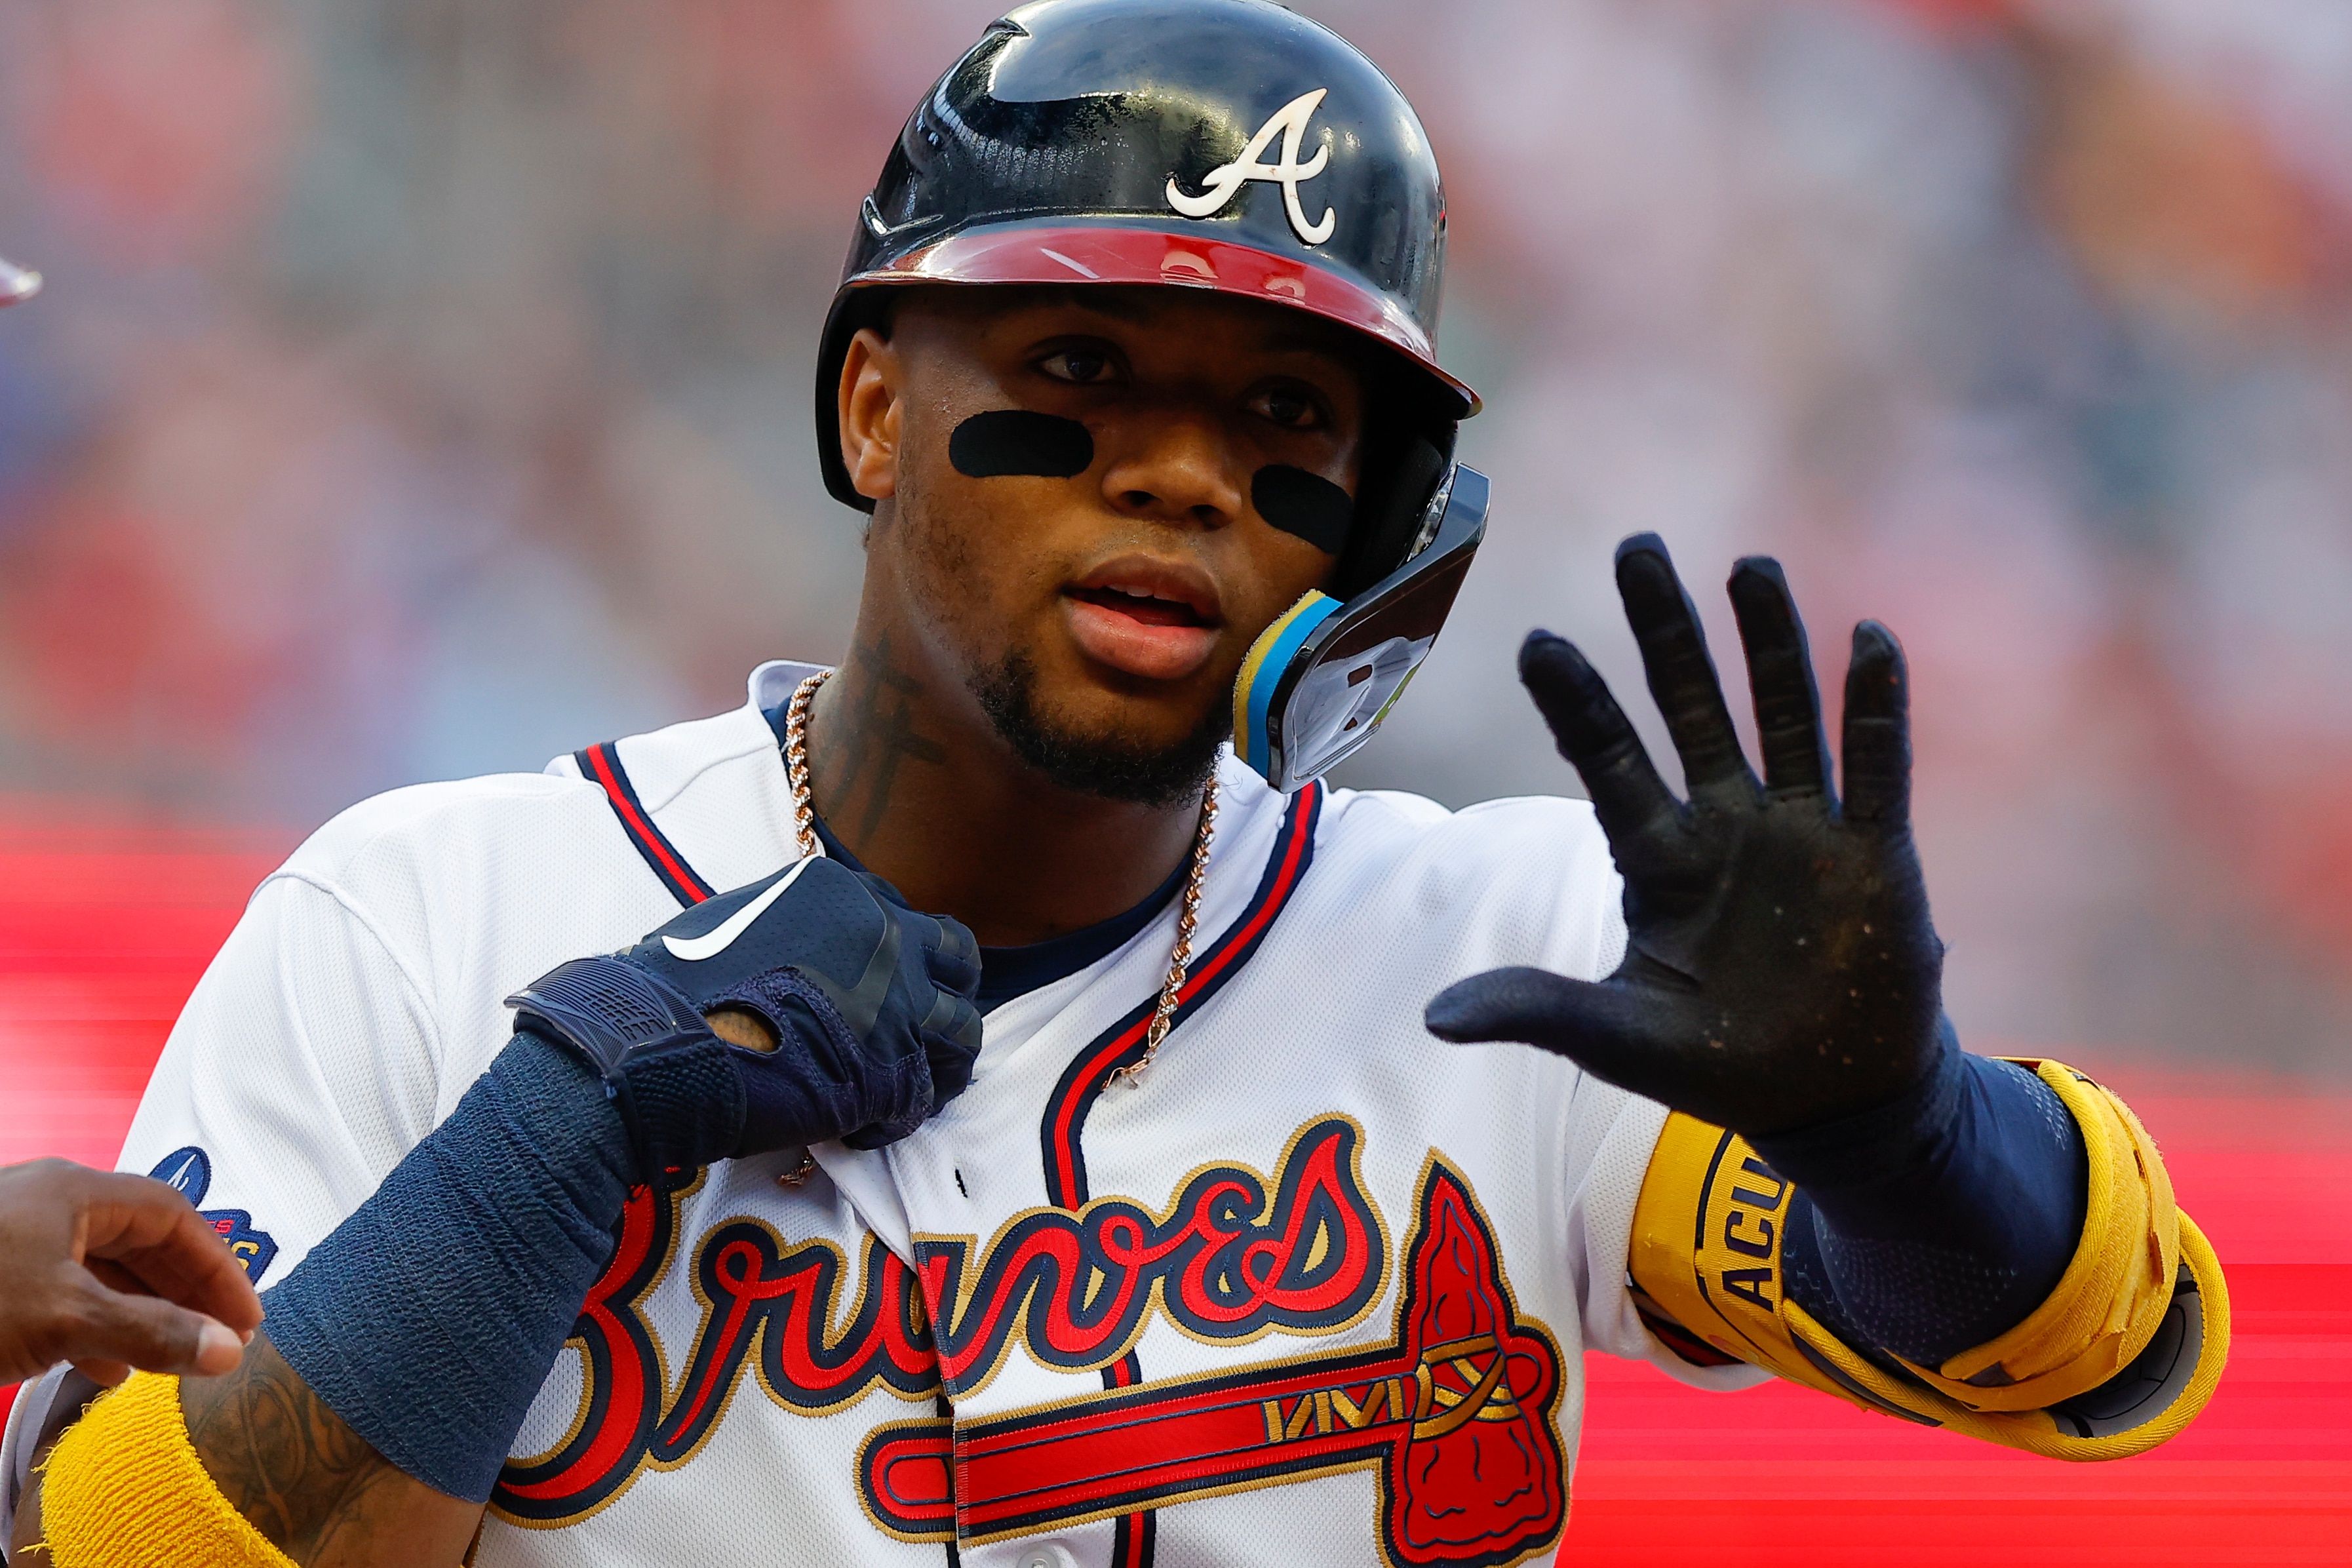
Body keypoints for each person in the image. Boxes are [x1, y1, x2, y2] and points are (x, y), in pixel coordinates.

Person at [5, 3, 2225, 1563]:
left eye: (1287, 420)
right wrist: (553, 1129)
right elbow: (112, 1559)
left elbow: (2100, 1361)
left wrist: (1908, 1136)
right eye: (1079, 370)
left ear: (1376, 524)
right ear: (875, 408)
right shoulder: (432, 918)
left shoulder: (1498, 950)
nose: (1183, 471)